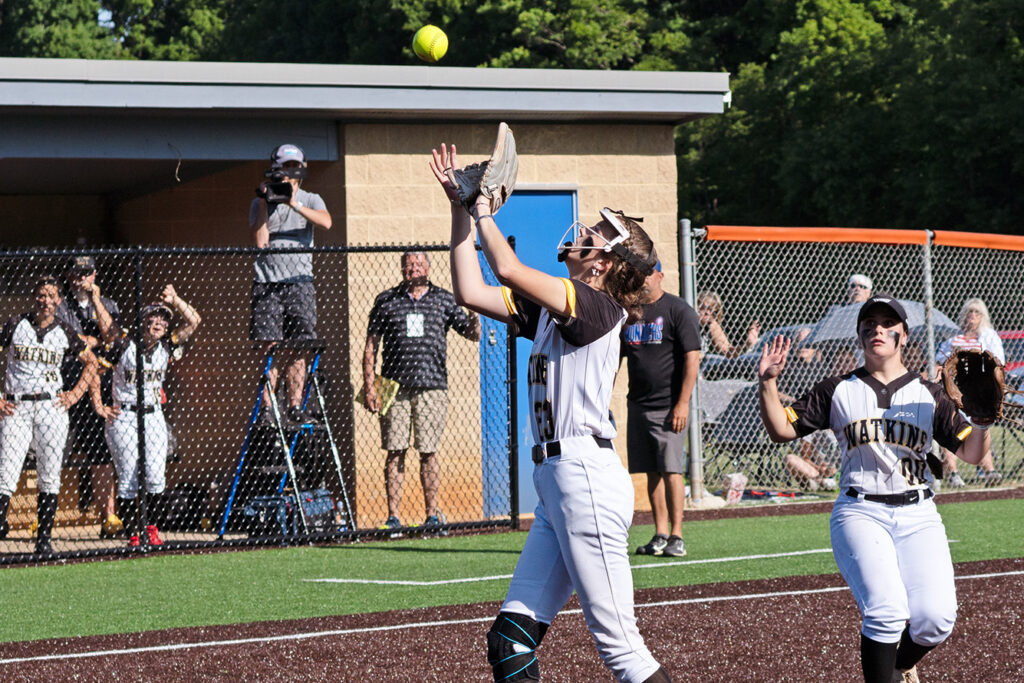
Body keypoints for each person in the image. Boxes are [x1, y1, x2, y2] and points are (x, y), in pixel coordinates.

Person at [430, 141, 670, 682]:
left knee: (622, 651)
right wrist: (461, 212)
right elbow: (471, 289)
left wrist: (485, 208)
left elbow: (508, 268)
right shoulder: (560, 306)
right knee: (509, 643)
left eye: (596, 235)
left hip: (583, 475)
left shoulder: (595, 304)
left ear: (605, 263)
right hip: (561, 480)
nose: (583, 233)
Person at [758, 294, 990, 682]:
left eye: (887, 324)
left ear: (903, 337)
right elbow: (781, 429)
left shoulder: (929, 394)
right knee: (886, 610)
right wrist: (768, 383)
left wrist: (982, 420)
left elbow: (969, 452)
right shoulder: (838, 389)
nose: (877, 329)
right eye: (870, 324)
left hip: (919, 513)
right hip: (860, 511)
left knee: (936, 619)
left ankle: (900, 665)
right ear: (860, 335)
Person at [362, 251, 480, 530]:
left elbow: (472, 334)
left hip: (432, 387)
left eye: (417, 264)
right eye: (408, 265)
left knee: (428, 451)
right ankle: (393, 518)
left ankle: (432, 515)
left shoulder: (444, 299)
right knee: (395, 450)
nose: (412, 268)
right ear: (402, 270)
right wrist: (369, 386)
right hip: (393, 386)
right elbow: (370, 346)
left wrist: (475, 312)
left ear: (428, 267)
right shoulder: (386, 301)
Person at [0, 276, 99, 555]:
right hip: (16, 405)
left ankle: (43, 540)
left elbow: (92, 362)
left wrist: (75, 394)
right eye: (41, 295)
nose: (45, 300)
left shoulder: (65, 331)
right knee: (7, 470)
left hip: (50, 407)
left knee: (49, 474)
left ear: (58, 301)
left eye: (51, 295)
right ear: (35, 297)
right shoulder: (16, 324)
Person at [99, 285, 200, 547]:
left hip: (153, 414)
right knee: (129, 478)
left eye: (163, 319)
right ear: (142, 321)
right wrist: (100, 405)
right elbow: (94, 371)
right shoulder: (124, 345)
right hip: (124, 414)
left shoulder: (166, 346)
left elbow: (194, 321)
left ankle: (151, 529)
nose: (158, 322)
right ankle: (133, 533)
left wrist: (175, 300)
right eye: (153, 318)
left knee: (156, 476)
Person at [620, 258, 700, 558]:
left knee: (671, 469)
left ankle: (677, 536)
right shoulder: (632, 313)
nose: (642, 279)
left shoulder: (677, 310)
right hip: (638, 403)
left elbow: (693, 357)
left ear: (660, 276)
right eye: (637, 274)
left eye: (647, 274)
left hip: (668, 406)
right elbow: (616, 356)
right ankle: (660, 533)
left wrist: (682, 403)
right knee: (650, 471)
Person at [249, 143, 332, 426]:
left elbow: (327, 223)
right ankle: (268, 407)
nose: (287, 173)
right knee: (269, 345)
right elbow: (261, 241)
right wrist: (265, 200)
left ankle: (295, 405)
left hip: (299, 282)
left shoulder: (311, 199)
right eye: (283, 167)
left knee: (299, 346)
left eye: (292, 168)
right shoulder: (262, 202)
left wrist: (292, 202)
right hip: (268, 283)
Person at [53, 255, 122, 535]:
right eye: (77, 273)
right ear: (70, 276)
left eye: (87, 273)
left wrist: (95, 301)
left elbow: (113, 337)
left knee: (100, 452)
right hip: (65, 385)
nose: (82, 278)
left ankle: (108, 516)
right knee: (53, 451)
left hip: (99, 387)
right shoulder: (59, 304)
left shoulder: (108, 304)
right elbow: (63, 338)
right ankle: (46, 516)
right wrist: (94, 341)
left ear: (94, 275)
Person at [934, 298, 1004, 487]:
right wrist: (952, 357)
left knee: (978, 429)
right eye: (968, 312)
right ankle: (954, 474)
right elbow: (939, 361)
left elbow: (998, 364)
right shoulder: (954, 338)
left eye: (976, 312)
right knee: (950, 430)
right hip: (953, 390)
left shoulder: (988, 336)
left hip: (977, 391)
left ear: (983, 316)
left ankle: (990, 471)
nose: (971, 316)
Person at [696, 290, 759, 358]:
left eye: (713, 310)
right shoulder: (689, 321)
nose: (708, 313)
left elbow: (728, 351)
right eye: (704, 308)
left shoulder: (711, 324)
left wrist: (747, 345)